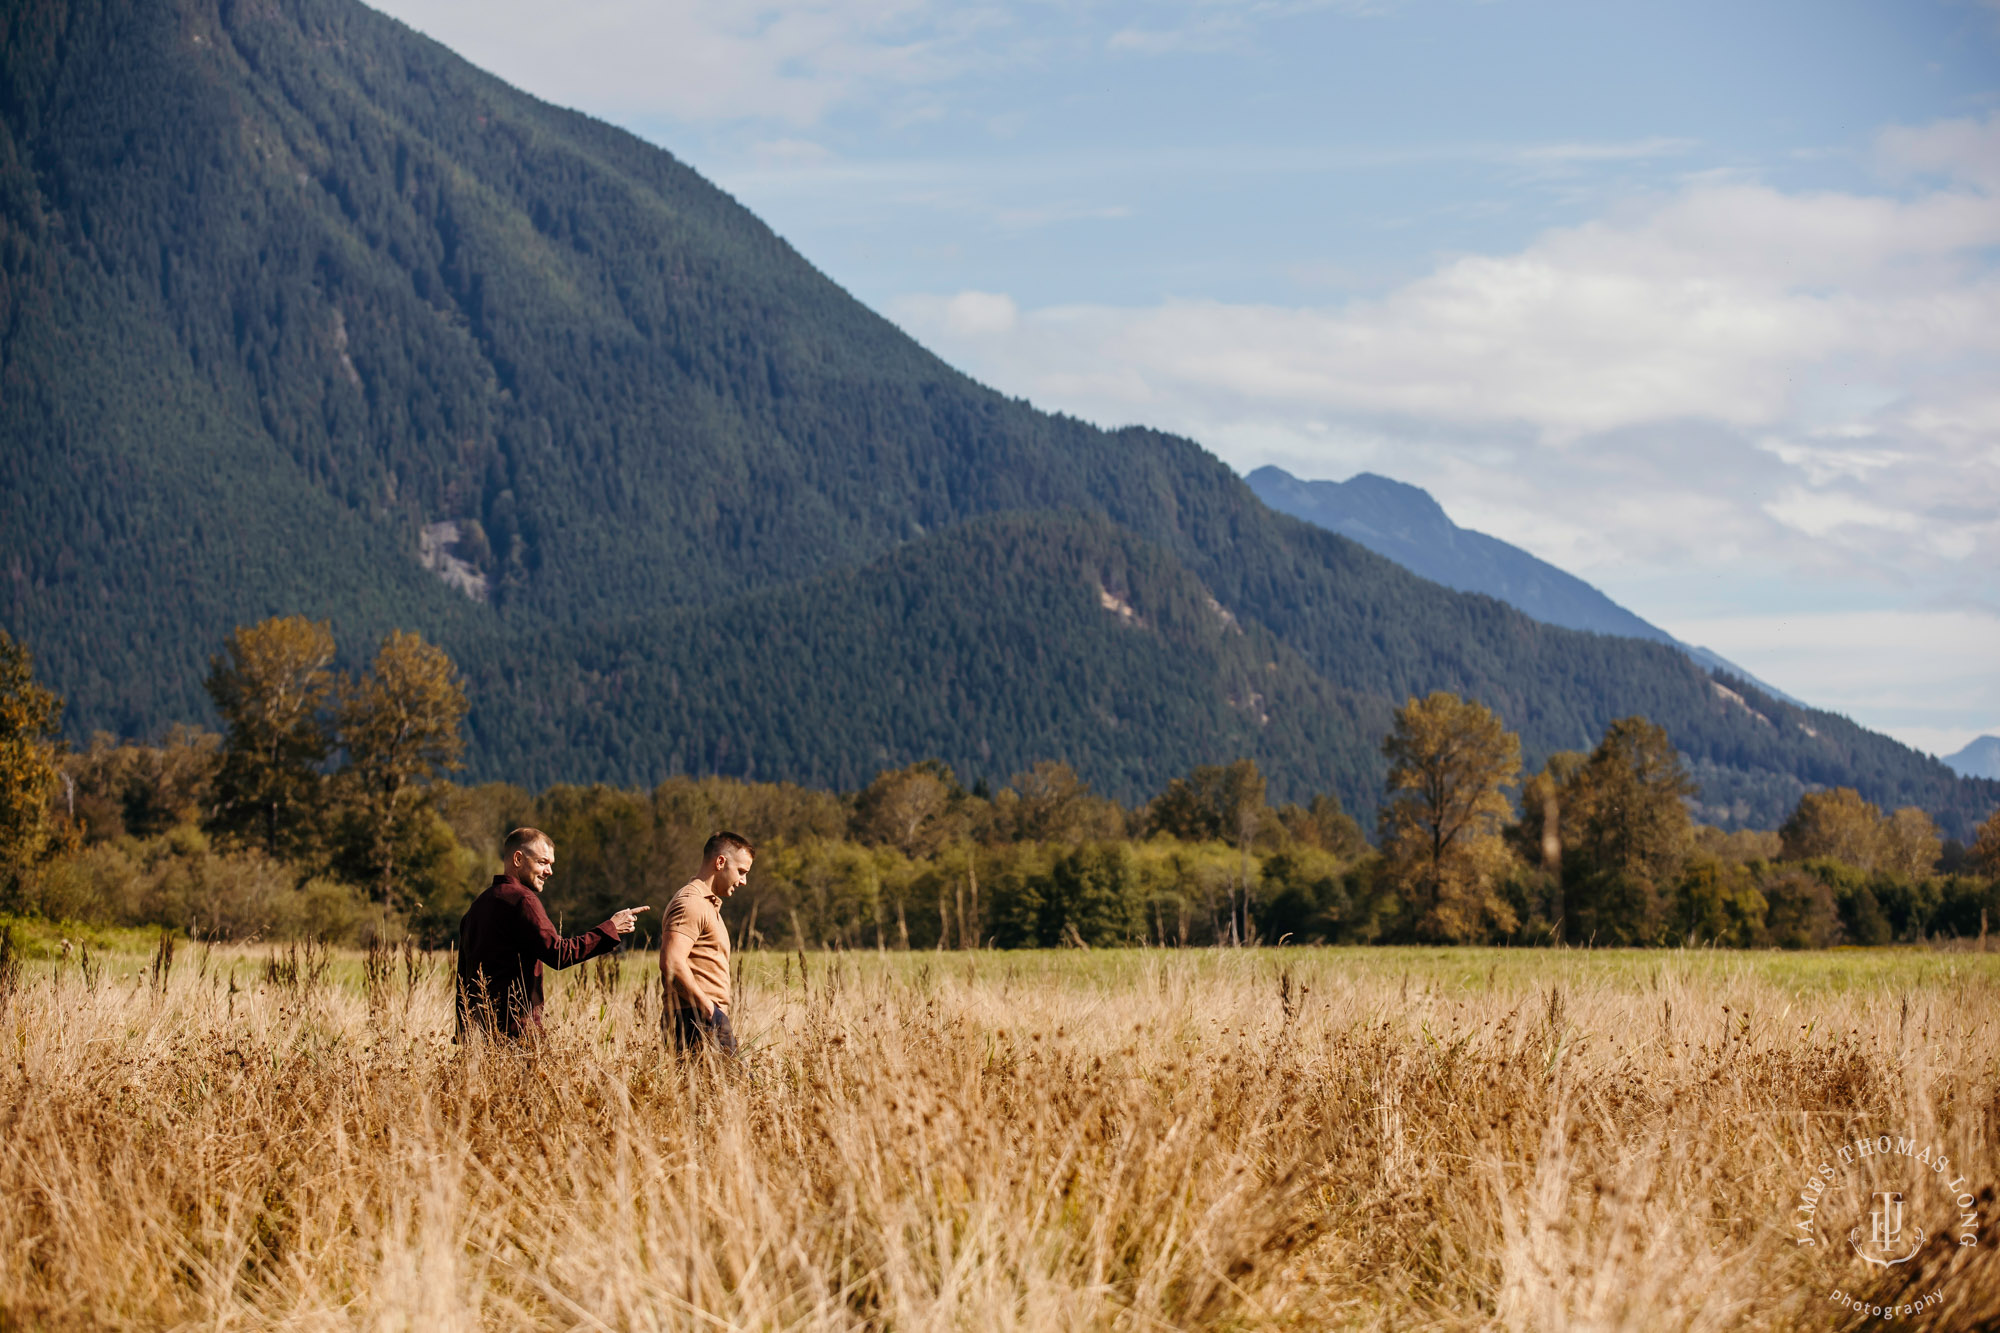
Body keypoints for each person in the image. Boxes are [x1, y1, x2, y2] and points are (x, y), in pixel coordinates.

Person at [457, 826, 648, 1039]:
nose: (549, 871)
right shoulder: (523, 901)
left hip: (477, 1035)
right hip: (516, 1035)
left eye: (551, 864)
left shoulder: (477, 906)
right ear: (518, 859)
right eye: (542, 862)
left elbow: (463, 978)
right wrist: (611, 928)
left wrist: (463, 1035)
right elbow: (559, 954)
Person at [660, 831, 754, 1057]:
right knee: (723, 1087)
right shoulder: (691, 903)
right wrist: (710, 1009)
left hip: (703, 1017)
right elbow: (671, 962)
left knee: (730, 1088)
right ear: (720, 862)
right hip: (693, 1019)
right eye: (741, 871)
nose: (744, 881)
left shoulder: (708, 906)